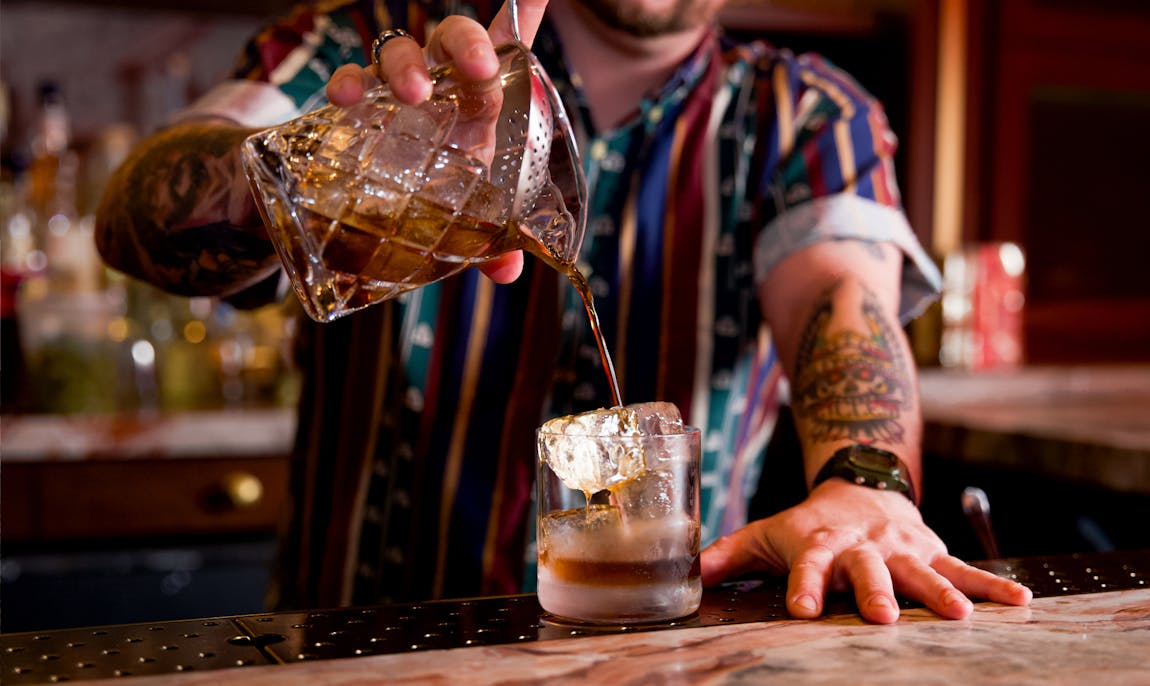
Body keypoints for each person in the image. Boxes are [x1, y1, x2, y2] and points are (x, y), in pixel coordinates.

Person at [95, 0, 1031, 624]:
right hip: (359, 649)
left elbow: (841, 298)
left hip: (666, 658)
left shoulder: (806, 115)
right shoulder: (379, 39)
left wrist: (866, 482)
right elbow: (138, 222)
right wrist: (326, 171)